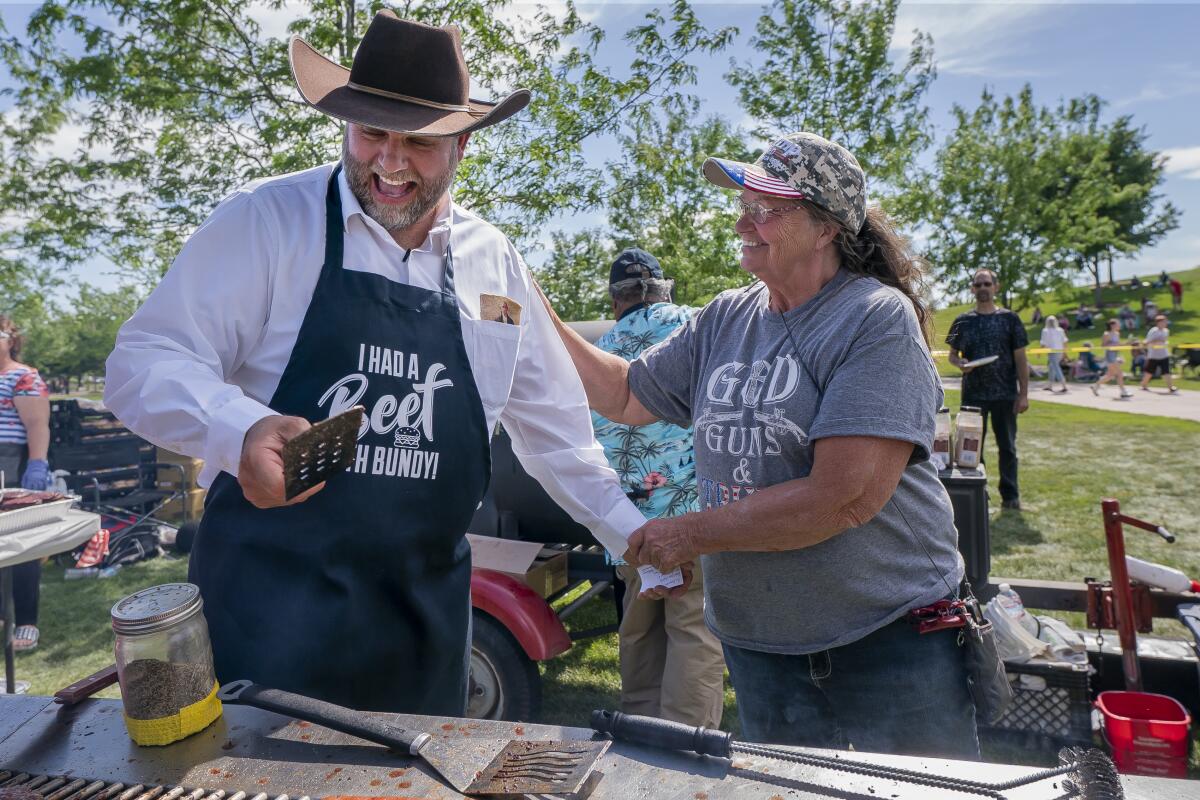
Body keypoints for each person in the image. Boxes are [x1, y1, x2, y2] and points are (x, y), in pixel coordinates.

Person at [104, 13, 655, 714]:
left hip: (423, 633)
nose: (390, 164)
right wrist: (237, 429)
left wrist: (630, 533)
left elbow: (555, 430)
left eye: (419, 142)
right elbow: (143, 361)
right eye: (372, 134)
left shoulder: (494, 265)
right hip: (266, 627)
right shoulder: (268, 222)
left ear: (462, 143)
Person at [538, 132, 979, 759]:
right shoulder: (726, 316)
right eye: (743, 204)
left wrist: (692, 534)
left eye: (765, 208)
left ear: (825, 227)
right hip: (760, 642)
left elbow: (842, 498)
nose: (743, 222)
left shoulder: (872, 317)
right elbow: (627, 395)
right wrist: (533, 308)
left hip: (886, 639)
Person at [590, 248, 726, 729]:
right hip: (696, 518)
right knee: (693, 628)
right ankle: (686, 748)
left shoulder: (599, 351)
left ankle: (640, 742)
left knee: (640, 628)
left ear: (615, 300)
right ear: (664, 289)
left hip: (628, 523)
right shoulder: (699, 326)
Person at [945, 269, 1029, 511]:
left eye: (987, 283)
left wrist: (1023, 393)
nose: (983, 287)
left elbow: (1021, 359)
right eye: (978, 284)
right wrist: (959, 363)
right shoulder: (963, 321)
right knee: (971, 449)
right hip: (973, 394)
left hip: (1005, 394)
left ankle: (1010, 497)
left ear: (996, 287)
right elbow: (952, 354)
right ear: (973, 289)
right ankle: (977, 495)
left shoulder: (1010, 319)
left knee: (1008, 448)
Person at [0, 316, 54, 652]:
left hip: (14, 463)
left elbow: (37, 424)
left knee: (21, 546)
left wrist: (37, 464)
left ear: (11, 340)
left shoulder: (23, 376)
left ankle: (27, 621)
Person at [1092, 320, 1133, 399]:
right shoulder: (1107, 334)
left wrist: (1126, 343)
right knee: (1119, 373)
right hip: (1109, 356)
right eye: (1118, 324)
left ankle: (1096, 385)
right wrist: (1113, 344)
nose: (1119, 325)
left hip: (1115, 355)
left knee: (1110, 376)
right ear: (1112, 325)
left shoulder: (1117, 334)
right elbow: (1103, 345)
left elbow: (1118, 345)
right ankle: (1123, 391)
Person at [1140, 314, 1179, 393]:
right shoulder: (1153, 331)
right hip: (1153, 355)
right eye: (1164, 322)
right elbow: (1146, 342)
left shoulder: (1166, 331)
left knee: (1166, 371)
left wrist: (1162, 342)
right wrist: (1156, 341)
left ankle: (1170, 387)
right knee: (1149, 372)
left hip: (1164, 354)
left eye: (1165, 321)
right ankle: (1143, 385)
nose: (1165, 323)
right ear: (1159, 323)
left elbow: (1164, 341)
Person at [1039, 315, 1068, 394]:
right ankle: (1050, 385)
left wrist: (1039, 352)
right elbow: (1064, 341)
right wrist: (1065, 352)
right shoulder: (1060, 330)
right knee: (1052, 367)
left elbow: (1043, 343)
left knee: (1055, 367)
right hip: (1059, 351)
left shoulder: (1045, 330)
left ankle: (1064, 385)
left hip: (1052, 351)